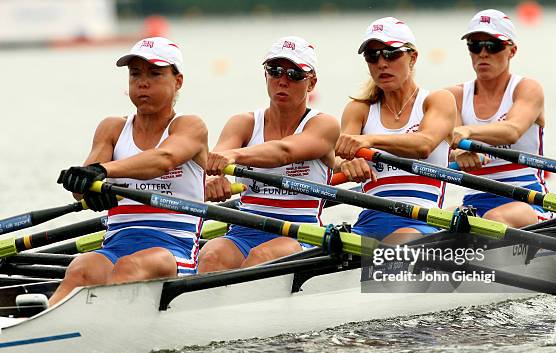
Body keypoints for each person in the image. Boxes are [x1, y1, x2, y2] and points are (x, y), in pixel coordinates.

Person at [50, 37, 208, 306]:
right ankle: (33, 327)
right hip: (116, 246)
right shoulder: (112, 128)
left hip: (171, 250)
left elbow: (163, 159)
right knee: (81, 267)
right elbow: (82, 190)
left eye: (155, 74)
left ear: (178, 81)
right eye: (135, 74)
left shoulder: (189, 126)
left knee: (128, 268)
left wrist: (101, 171)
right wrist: (83, 186)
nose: (142, 83)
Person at [200, 36, 339, 272]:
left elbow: (285, 151)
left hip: (300, 234)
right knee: (210, 255)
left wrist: (234, 156)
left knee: (261, 256)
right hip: (243, 232)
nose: (282, 81)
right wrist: (213, 180)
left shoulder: (323, 125)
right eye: (275, 71)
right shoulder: (243, 123)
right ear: (265, 75)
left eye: (294, 74)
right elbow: (215, 161)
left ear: (312, 83)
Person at [334, 17, 455, 243]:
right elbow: (339, 154)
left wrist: (368, 141)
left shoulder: (437, 100)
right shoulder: (358, 109)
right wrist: (346, 163)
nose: (381, 63)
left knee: (393, 244)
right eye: (372, 56)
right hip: (369, 222)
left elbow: (424, 144)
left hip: (422, 222)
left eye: (391, 53)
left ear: (413, 57)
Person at [447, 9, 550, 228]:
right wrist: (458, 152)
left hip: (526, 201)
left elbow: (512, 130)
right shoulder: (453, 96)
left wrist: (469, 133)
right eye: (475, 45)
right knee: (442, 219)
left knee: (493, 220)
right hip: (475, 201)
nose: (483, 53)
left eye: (493, 46)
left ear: (512, 51)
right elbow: (448, 144)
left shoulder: (526, 88)